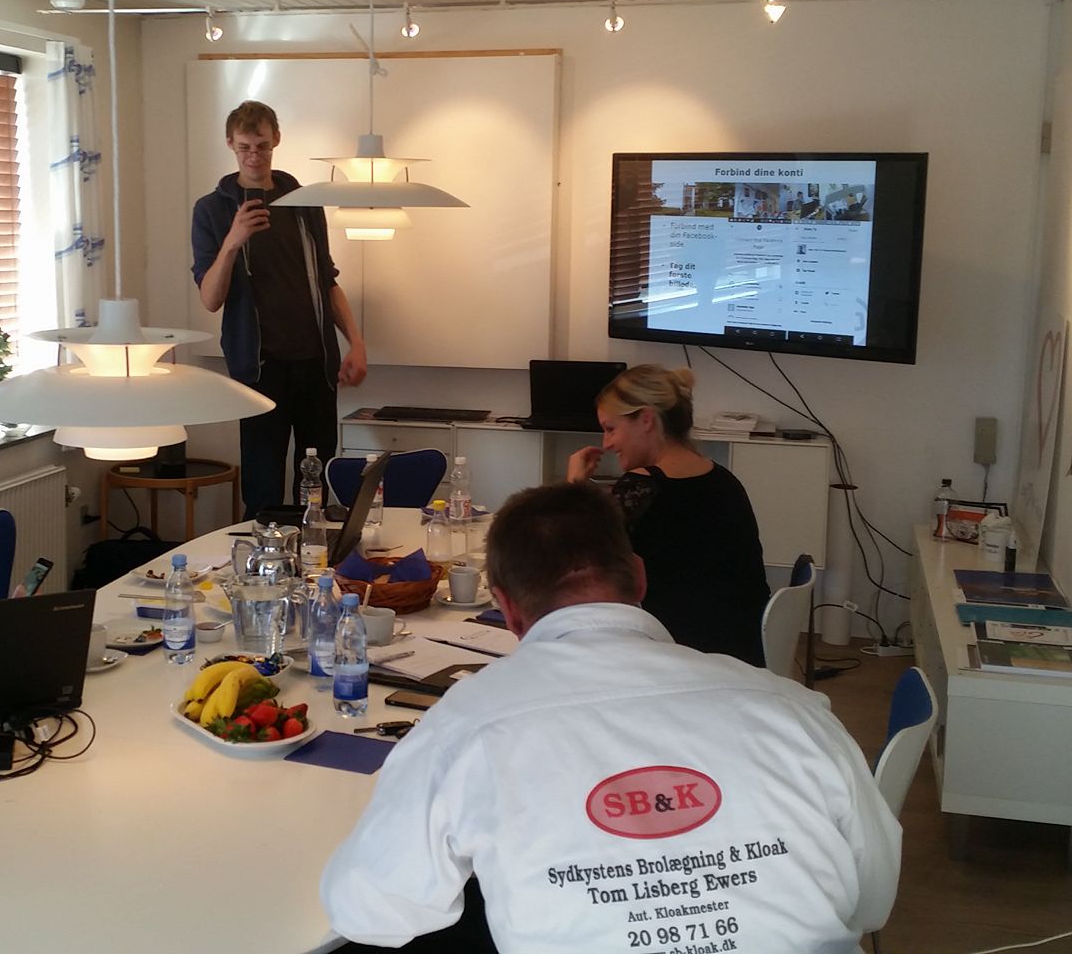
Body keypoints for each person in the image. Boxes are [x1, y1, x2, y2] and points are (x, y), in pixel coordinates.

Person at [321, 483, 900, 952]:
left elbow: (369, 910)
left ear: (507, 608)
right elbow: (873, 901)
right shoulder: (793, 709)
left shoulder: (464, 726)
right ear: (639, 577)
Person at [191, 100, 366, 518]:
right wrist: (233, 241)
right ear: (230, 144)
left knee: (316, 484)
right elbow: (210, 299)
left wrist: (356, 343)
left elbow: (327, 281)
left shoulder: (305, 203)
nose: (254, 157)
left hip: (316, 364)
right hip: (258, 370)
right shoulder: (212, 209)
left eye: (263, 147)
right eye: (245, 148)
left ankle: (314, 553)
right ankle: (263, 558)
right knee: (262, 487)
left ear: (277, 142)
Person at [567, 364, 770, 665]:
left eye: (611, 429)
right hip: (742, 654)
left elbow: (571, 560)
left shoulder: (643, 487)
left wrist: (573, 487)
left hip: (678, 658)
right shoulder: (724, 479)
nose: (606, 444)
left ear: (646, 420)